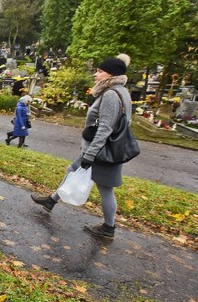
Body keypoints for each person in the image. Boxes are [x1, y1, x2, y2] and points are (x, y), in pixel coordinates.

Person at [31, 57, 132, 238]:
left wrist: (90, 154)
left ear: (111, 74)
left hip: (102, 151)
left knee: (105, 188)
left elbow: (106, 128)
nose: (96, 74)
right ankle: (51, 201)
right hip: (100, 148)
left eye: (100, 71)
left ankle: (109, 227)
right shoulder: (121, 91)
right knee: (72, 169)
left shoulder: (111, 94)